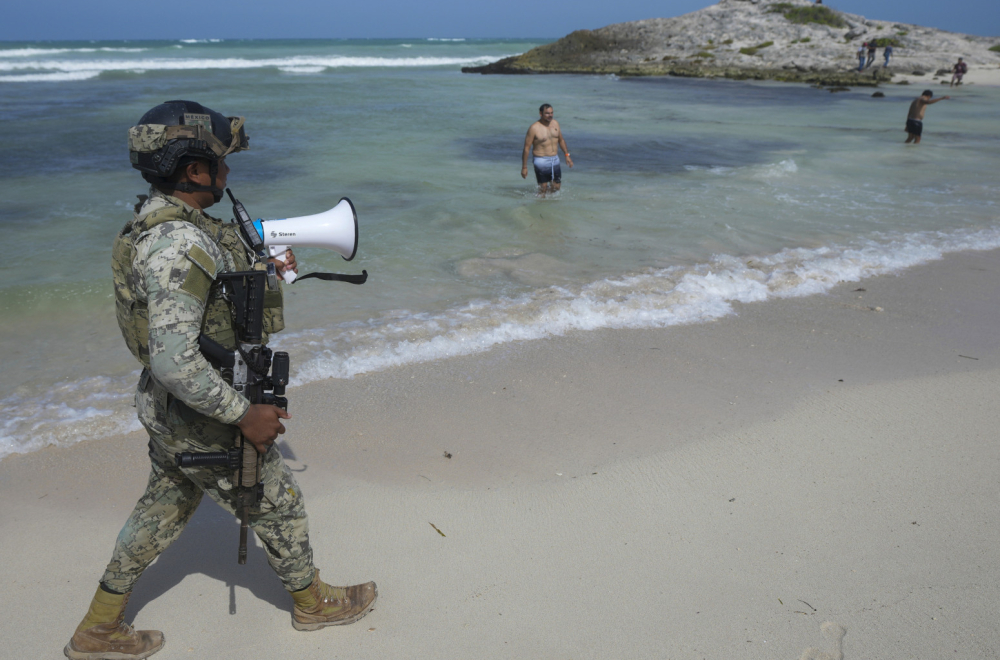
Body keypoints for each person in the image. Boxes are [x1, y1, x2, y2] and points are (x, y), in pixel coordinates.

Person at [63, 100, 377, 660]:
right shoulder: (179, 243)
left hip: (170, 411)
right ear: (192, 171)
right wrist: (245, 415)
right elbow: (174, 360)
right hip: (200, 411)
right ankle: (313, 604)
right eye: (220, 164)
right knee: (277, 502)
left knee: (162, 507)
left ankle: (99, 626)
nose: (228, 174)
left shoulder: (168, 223)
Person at [521, 103, 574, 197]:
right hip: (541, 160)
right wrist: (524, 167)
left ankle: (542, 199)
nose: (550, 115)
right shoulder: (534, 128)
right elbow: (526, 148)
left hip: (555, 159)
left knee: (556, 187)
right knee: (543, 187)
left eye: (551, 113)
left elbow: (561, 140)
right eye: (547, 113)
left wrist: (567, 155)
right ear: (540, 114)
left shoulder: (555, 124)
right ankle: (540, 205)